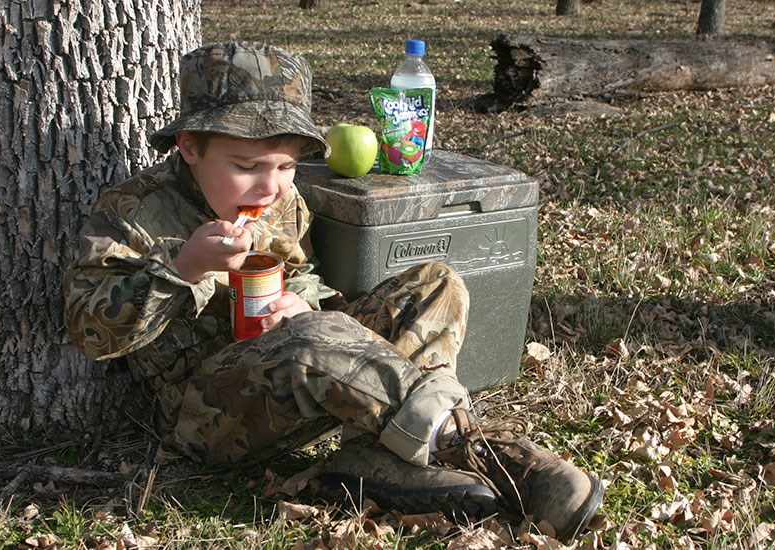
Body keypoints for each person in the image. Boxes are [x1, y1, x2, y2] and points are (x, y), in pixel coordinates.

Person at [63, 41, 603, 541]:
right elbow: (90, 332)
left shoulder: (282, 202)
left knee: (435, 284)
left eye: (286, 166)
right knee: (318, 339)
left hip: (293, 374)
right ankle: (492, 456)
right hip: (206, 413)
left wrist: (305, 303)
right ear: (188, 147)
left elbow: (304, 276)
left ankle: (373, 461)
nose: (269, 185)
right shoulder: (134, 212)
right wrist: (183, 265)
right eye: (246, 166)